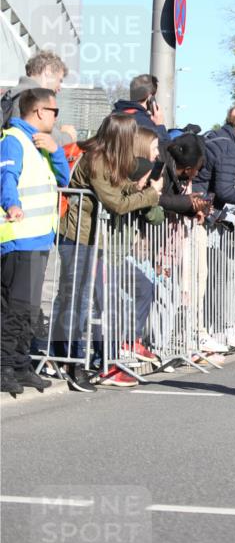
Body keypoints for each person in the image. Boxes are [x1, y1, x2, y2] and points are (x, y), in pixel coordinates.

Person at [53, 114, 163, 390]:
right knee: (75, 302)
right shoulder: (98, 158)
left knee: (77, 301)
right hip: (77, 236)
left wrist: (138, 187)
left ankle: (66, 358)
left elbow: (118, 188)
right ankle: (72, 364)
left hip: (90, 238)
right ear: (121, 137)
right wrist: (150, 196)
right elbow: (115, 203)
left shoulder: (106, 158)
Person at [1, 88, 70, 396]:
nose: (56, 117)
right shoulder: (14, 140)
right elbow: (6, 177)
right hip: (20, 237)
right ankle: (5, 368)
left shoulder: (39, 144)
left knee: (28, 310)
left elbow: (65, 179)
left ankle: (20, 365)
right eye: (54, 112)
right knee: (16, 310)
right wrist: (11, 204)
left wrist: (56, 151)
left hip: (38, 238)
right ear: (40, 112)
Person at [195, 103, 235, 216]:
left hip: (193, 200)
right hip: (199, 207)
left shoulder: (213, 135)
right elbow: (225, 191)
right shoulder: (230, 149)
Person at [6, 51, 77, 145]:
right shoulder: (29, 97)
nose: (59, 87)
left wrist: (60, 129)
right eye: (59, 80)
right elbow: (39, 137)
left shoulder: (15, 94)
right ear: (48, 71)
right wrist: (68, 136)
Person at [112, 74, 169, 143]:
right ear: (150, 97)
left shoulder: (112, 118)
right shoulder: (145, 124)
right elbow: (165, 148)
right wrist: (160, 126)